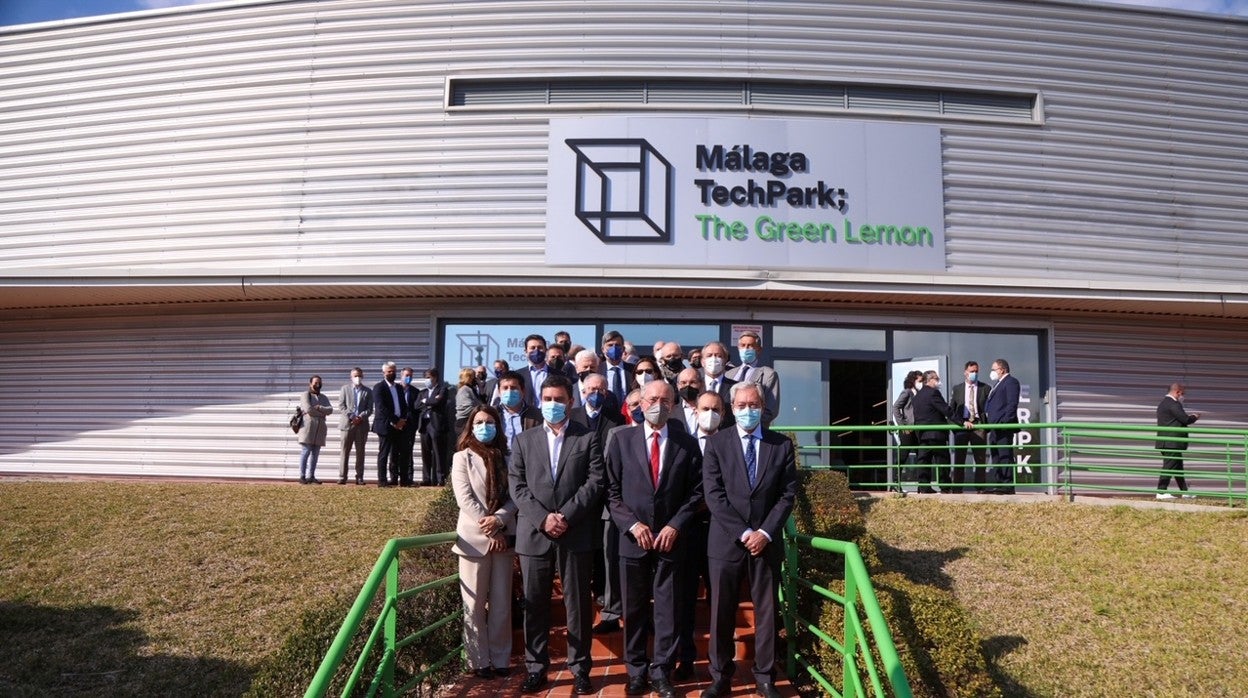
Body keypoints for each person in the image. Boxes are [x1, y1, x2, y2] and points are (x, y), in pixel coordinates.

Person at [508, 374, 605, 695]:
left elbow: (595, 482)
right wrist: (543, 519)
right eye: (547, 399)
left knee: (577, 604)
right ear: (540, 401)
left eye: (559, 399)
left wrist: (564, 515)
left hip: (575, 533)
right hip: (534, 534)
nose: (553, 405)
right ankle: (536, 668)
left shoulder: (587, 438)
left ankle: (580, 669)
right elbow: (518, 488)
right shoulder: (523, 440)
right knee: (535, 604)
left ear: (570, 402)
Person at [605, 380, 703, 698]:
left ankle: (662, 671)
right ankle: (635, 671)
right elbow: (611, 491)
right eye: (651, 399)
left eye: (664, 399)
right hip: (633, 540)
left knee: (667, 609)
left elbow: (696, 492)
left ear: (673, 405)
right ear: (640, 404)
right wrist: (632, 525)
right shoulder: (621, 440)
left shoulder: (687, 444)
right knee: (633, 609)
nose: (657, 404)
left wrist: (676, 525)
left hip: (671, 541)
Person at [700, 382, 797, 698]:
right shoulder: (717, 444)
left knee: (766, 612)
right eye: (741, 405)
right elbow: (714, 495)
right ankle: (720, 676)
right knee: (721, 611)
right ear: (731, 409)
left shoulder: (781, 445)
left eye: (753, 404)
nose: (747, 410)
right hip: (726, 542)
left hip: (766, 543)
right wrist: (744, 533)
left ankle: (765, 677)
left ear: (763, 407)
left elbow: (786, 494)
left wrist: (765, 533)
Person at [451, 405, 518, 679]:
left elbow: (516, 496)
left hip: (504, 539)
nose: (484, 426)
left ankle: (501, 659)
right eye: (479, 422)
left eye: (490, 422)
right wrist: (491, 527)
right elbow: (464, 498)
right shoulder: (461, 458)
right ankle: (478, 661)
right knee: (474, 604)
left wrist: (500, 520)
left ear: (497, 426)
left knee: (502, 603)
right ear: (471, 426)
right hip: (474, 540)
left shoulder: (510, 458)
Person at [569, 373, 626, 636]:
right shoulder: (572, 416)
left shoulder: (617, 418)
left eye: (601, 389)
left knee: (607, 555)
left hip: (606, 498)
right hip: (577, 496)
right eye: (591, 388)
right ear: (582, 390)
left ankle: (610, 609)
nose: (596, 393)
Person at [675, 389, 726, 681]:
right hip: (687, 529)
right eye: (705, 408)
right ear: (695, 411)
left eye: (716, 409)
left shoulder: (732, 443)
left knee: (719, 600)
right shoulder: (683, 443)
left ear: (724, 413)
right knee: (684, 598)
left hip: (721, 531)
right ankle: (685, 657)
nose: (710, 413)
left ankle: (718, 663)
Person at [911, 371, 973, 494]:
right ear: (930, 380)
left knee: (924, 460)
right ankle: (945, 487)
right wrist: (962, 422)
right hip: (936, 433)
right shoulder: (933, 393)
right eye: (937, 379)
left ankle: (923, 486)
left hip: (922, 434)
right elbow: (946, 410)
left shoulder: (917, 396)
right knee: (942, 461)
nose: (938, 381)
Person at [948, 361, 990, 492]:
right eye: (972, 371)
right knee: (959, 459)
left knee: (980, 459)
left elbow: (990, 409)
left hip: (978, 425)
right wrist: (955, 427)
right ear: (965, 372)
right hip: (962, 426)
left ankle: (980, 488)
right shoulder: (957, 389)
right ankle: (957, 488)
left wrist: (986, 427)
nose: (974, 374)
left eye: (976, 371)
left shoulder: (985, 388)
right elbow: (951, 410)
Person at [1155, 383, 1201, 499]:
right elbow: (1185, 419)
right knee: (1169, 466)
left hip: (1167, 441)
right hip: (1172, 442)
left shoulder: (1163, 404)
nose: (1183, 396)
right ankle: (1161, 492)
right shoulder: (1173, 404)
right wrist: (1195, 416)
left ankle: (1184, 491)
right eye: (1183, 394)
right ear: (1178, 392)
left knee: (1178, 468)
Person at [984, 358, 1021, 494]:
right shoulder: (998, 384)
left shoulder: (1011, 382)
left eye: (994, 369)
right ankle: (999, 483)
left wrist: (1005, 422)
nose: (992, 372)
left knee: (1005, 455)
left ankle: (1007, 485)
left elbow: (1012, 404)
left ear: (1002, 369)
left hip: (1003, 427)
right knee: (996, 457)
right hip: (994, 427)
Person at [729, 331, 781, 428]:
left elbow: (771, 409)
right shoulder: (729, 374)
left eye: (750, 346)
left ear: (759, 350)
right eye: (743, 345)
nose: (746, 348)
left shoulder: (768, 375)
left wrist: (749, 423)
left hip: (756, 430)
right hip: (730, 432)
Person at [371, 362, 408, 488]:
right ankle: (382, 480)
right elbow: (381, 408)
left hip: (399, 426)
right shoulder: (379, 387)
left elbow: (403, 405)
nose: (392, 373)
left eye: (393, 371)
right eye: (389, 371)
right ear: (384, 373)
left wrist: (402, 419)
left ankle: (395, 479)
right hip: (386, 425)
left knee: (396, 453)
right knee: (384, 453)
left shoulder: (398, 388)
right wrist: (395, 421)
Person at [337, 367, 373, 485]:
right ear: (351, 377)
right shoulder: (345, 389)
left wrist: (361, 416)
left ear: (362, 376)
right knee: (344, 451)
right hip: (347, 425)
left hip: (361, 426)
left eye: (359, 375)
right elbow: (341, 405)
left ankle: (359, 477)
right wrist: (352, 416)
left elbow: (369, 408)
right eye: (355, 376)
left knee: (360, 452)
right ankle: (342, 476)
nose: (357, 378)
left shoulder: (368, 391)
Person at [297, 375, 333, 484]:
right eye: (315, 382)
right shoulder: (305, 395)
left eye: (319, 383)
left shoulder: (323, 397)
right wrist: (321, 414)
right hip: (308, 429)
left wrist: (320, 408)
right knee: (306, 451)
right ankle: (302, 476)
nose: (318, 385)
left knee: (315, 454)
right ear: (310, 383)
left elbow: (330, 410)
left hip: (320, 429)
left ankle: (311, 476)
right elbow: (308, 409)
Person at [891, 370, 924, 488]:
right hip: (907, 430)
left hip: (918, 430)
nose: (922, 383)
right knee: (903, 455)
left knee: (921, 456)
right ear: (913, 381)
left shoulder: (920, 393)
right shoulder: (907, 392)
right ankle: (896, 482)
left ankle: (922, 484)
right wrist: (902, 425)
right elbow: (896, 407)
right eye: (920, 381)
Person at [417, 367, 449, 486]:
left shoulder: (442, 389)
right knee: (425, 452)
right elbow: (416, 405)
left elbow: (438, 402)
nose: (427, 380)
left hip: (436, 424)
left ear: (435, 378)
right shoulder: (423, 392)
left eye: (429, 377)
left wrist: (426, 402)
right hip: (425, 424)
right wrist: (429, 402)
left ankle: (440, 478)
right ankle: (426, 478)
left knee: (438, 452)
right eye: (425, 378)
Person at [497, 370, 541, 451]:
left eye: (513, 388)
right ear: (499, 392)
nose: (509, 391)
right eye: (505, 388)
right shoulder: (492, 414)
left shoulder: (537, 415)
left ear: (523, 391)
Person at [700, 342, 737, 429]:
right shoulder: (695, 385)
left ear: (725, 360)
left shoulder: (736, 388)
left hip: (727, 438)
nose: (713, 359)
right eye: (709, 355)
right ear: (702, 361)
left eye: (718, 356)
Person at [598, 330, 637, 407]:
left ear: (623, 348)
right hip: (606, 416)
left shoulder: (633, 370)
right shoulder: (597, 370)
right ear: (603, 349)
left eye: (617, 345)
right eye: (610, 345)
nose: (614, 348)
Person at [397, 367, 419, 487]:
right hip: (396, 424)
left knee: (408, 451)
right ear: (401, 375)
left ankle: (408, 477)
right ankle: (394, 476)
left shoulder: (415, 391)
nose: (408, 378)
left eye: (410, 376)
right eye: (406, 375)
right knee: (394, 451)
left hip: (410, 426)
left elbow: (416, 409)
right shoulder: (395, 389)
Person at [519, 334, 550, 409]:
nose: (536, 350)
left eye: (540, 347)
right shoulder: (518, 375)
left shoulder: (559, 375)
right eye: (532, 348)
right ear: (525, 351)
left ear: (546, 350)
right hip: (527, 417)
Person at [455, 367, 483, 435]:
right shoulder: (464, 390)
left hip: (469, 421)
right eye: (474, 376)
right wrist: (481, 410)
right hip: (465, 422)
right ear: (469, 378)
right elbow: (468, 407)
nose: (475, 379)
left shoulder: (472, 389)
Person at [675, 368, 703, 433]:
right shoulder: (671, 412)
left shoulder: (709, 408)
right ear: (678, 385)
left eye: (692, 382)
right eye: (683, 383)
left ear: (701, 384)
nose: (688, 386)